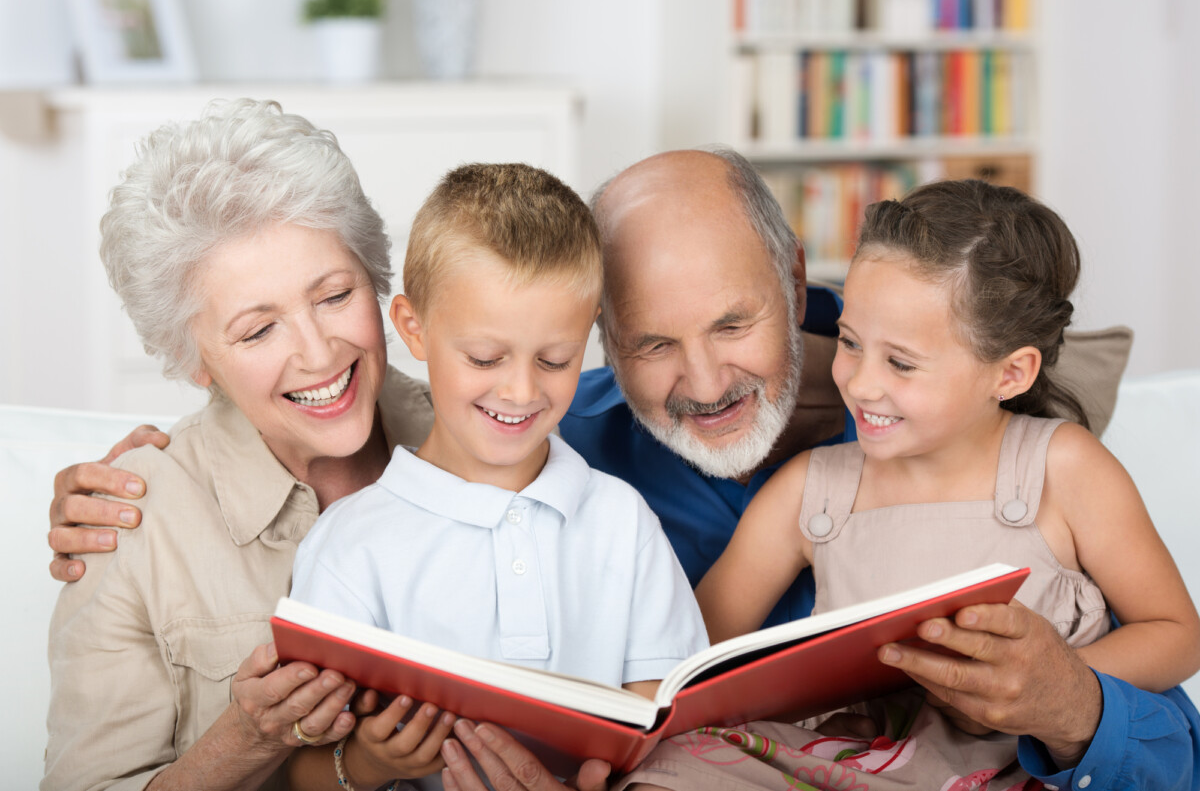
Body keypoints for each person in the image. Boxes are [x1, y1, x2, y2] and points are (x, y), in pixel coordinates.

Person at [48, 148, 1200, 788]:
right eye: (648, 339)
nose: (701, 380)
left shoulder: (973, 396)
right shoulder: (539, 430)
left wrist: (1082, 702)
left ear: (799, 283)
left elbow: (1168, 706)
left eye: (737, 325)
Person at [41, 100, 609, 791]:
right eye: (258, 331)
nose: (318, 353)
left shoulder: (499, 420)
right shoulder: (128, 521)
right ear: (197, 360)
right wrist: (243, 741)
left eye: (335, 295)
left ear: (378, 282)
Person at [616, 178, 1200, 789]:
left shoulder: (1064, 468)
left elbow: (1176, 635)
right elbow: (693, 656)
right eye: (849, 342)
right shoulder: (811, 490)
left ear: (1010, 373)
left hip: (1006, 763)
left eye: (900, 362)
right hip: (851, 762)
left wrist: (1052, 681)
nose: (861, 384)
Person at [282, 163, 707, 790]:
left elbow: (671, 730)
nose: (520, 390)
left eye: (555, 360)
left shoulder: (623, 521)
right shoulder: (351, 546)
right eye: (485, 357)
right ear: (413, 328)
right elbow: (300, 774)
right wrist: (372, 762)